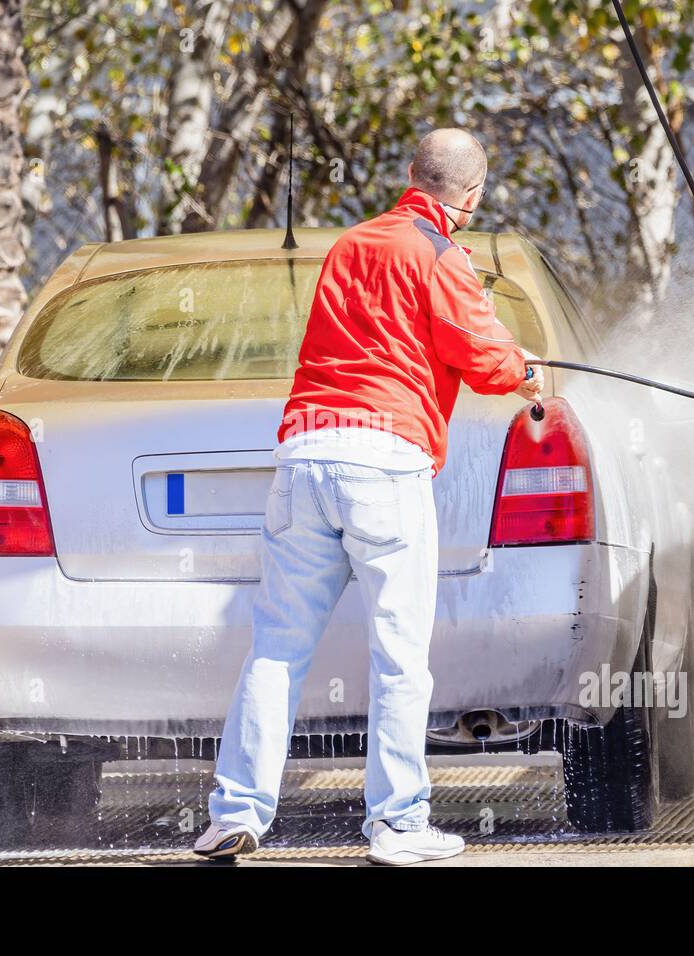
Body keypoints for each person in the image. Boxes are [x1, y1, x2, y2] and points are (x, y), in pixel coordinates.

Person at [195, 128, 543, 865]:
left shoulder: (351, 245)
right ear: (471, 196)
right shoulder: (443, 256)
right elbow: (483, 359)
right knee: (399, 657)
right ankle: (398, 824)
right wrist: (526, 371)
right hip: (383, 464)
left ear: (409, 174)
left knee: (277, 649)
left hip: (304, 457)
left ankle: (236, 811)